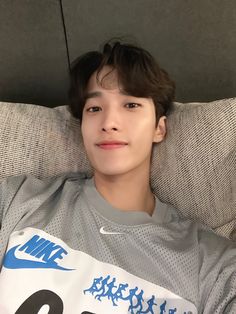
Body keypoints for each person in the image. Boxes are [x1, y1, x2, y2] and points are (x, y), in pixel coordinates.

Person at [0, 38, 235, 314]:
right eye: (94, 108)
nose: (109, 123)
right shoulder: (20, 200)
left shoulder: (209, 263)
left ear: (159, 129)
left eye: (131, 105)